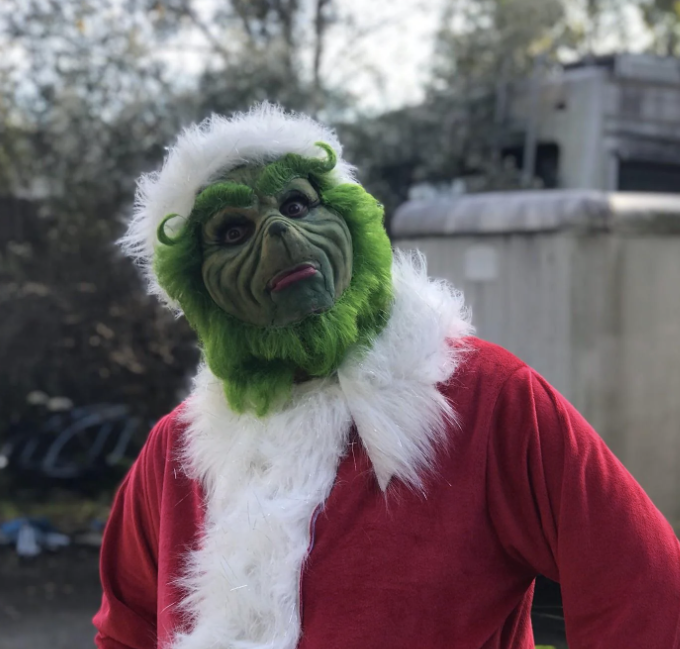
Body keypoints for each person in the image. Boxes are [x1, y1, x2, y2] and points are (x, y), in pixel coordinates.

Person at [93, 103, 680, 649]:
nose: (278, 235)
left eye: (297, 205)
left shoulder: (488, 400)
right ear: (197, 288)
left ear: (352, 223)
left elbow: (647, 591)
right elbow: (126, 631)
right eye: (232, 231)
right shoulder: (174, 453)